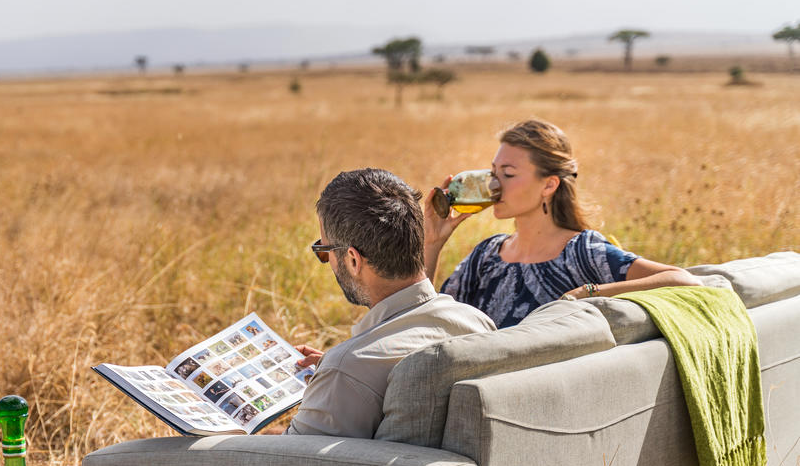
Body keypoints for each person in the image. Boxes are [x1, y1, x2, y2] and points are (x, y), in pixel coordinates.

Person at [423, 119, 700, 328]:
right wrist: (432, 243)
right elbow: (429, 321)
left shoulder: (582, 253)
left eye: (508, 174)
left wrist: (587, 293)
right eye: (493, 172)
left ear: (549, 185)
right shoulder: (486, 255)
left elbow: (684, 281)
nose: (492, 185)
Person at [283, 168, 495, 438]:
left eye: (325, 252)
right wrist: (333, 378)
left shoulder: (348, 370)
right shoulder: (476, 322)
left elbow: (289, 460)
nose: (328, 263)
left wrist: (337, 378)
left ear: (353, 260)